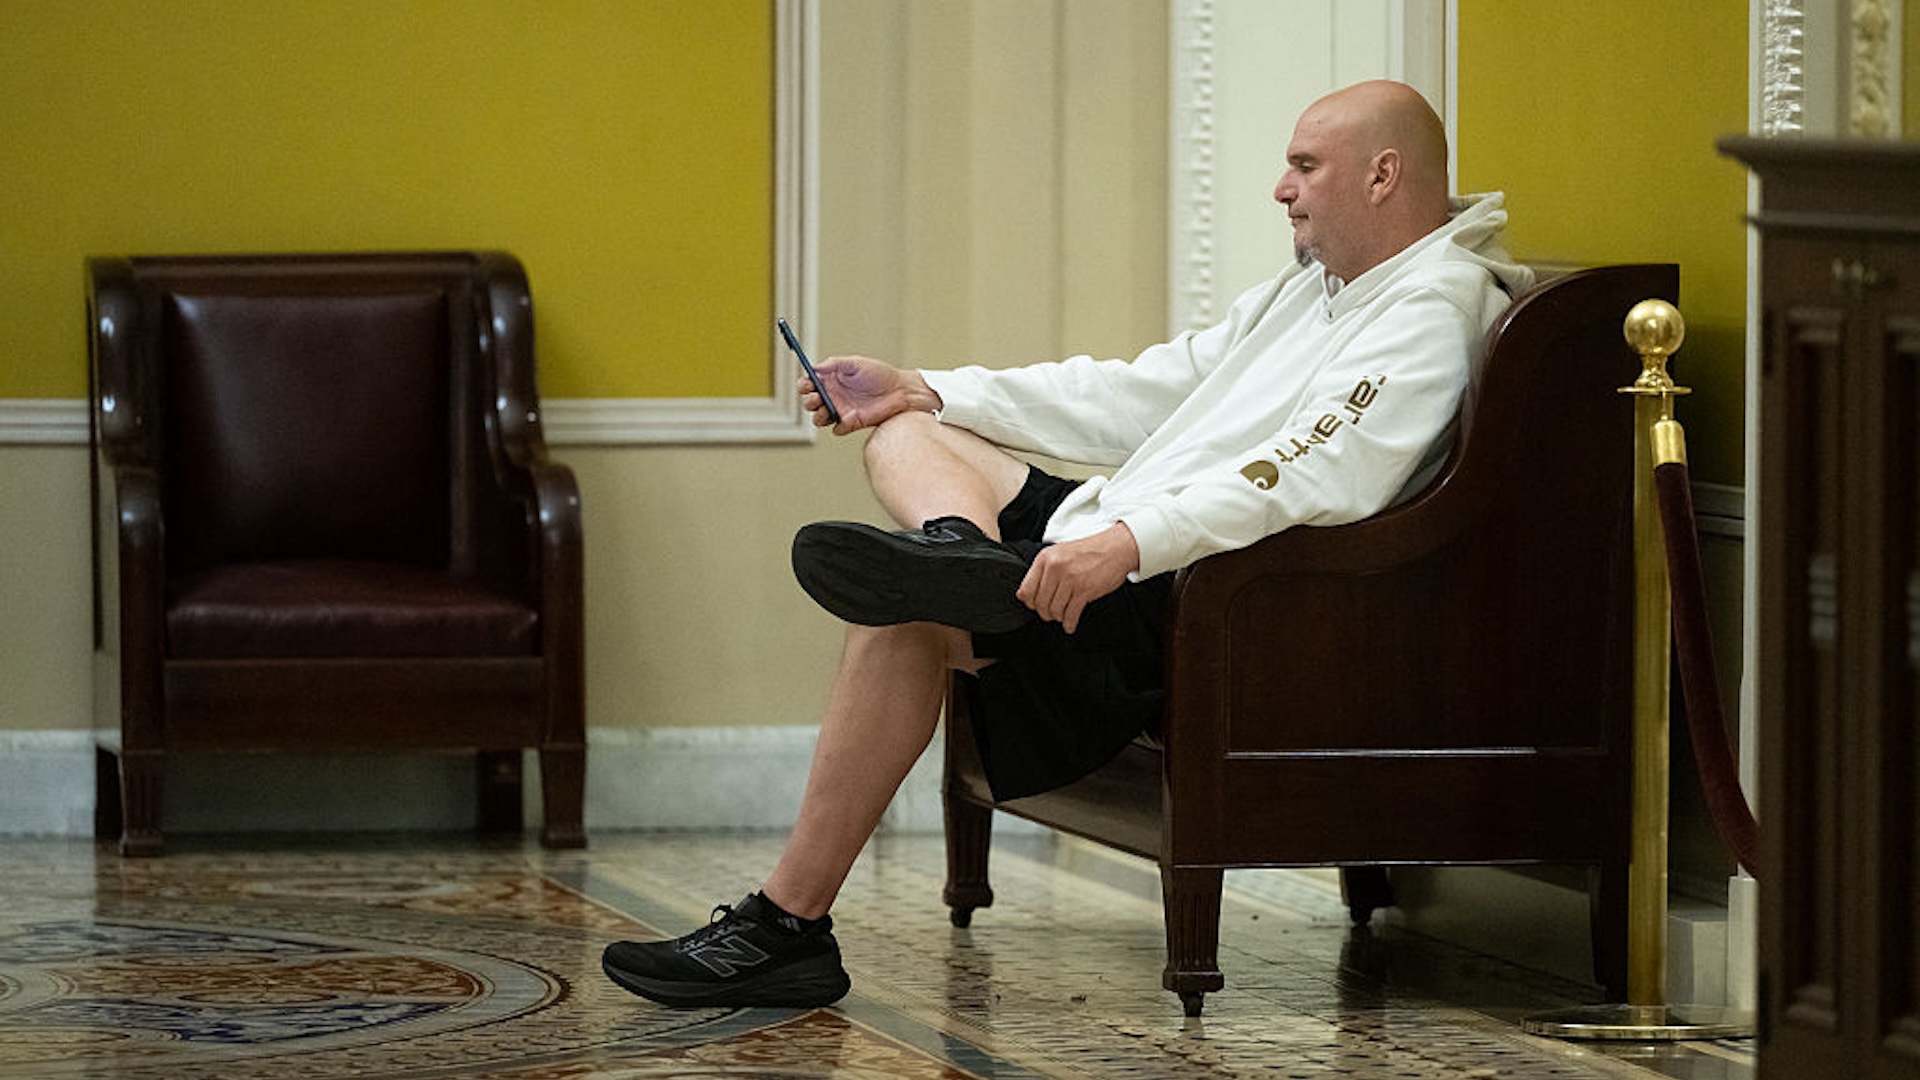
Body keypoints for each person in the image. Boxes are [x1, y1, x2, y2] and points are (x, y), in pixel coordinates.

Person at [601, 79, 1533, 1009]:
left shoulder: (1428, 313)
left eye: (1303, 166)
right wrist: (928, 386)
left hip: (1199, 595)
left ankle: (786, 926)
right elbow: (1144, 391)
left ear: (1382, 175)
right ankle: (961, 551)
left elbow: (1308, 475)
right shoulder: (1319, 292)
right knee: (906, 434)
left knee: (899, 616)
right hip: (1127, 535)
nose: (1281, 189)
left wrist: (1125, 543)